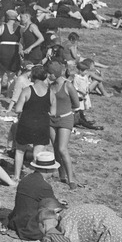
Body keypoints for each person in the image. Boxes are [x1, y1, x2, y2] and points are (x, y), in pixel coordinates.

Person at [11, 65, 52, 181]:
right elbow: (53, 111)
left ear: (33, 76)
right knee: (38, 153)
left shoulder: (27, 90)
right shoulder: (50, 92)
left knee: (20, 151)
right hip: (42, 124)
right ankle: (37, 178)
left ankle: (17, 176)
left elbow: (18, 109)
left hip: (26, 123)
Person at [46, 61, 82, 189]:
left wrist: (65, 111)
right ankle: (61, 174)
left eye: (49, 73)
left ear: (54, 74)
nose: (47, 76)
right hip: (51, 119)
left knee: (62, 148)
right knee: (55, 148)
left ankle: (71, 179)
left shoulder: (68, 85)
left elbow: (77, 105)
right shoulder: (50, 85)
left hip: (65, 119)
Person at [8, 152, 60, 241]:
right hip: (32, 229)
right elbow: (55, 207)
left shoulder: (26, 179)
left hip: (17, 222)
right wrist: (60, 204)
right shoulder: (44, 186)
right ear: (48, 170)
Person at [0, 8, 22, 96]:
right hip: (14, 50)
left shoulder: (3, 27)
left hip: (3, 49)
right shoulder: (19, 28)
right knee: (11, 74)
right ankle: (9, 92)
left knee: (0, 72)